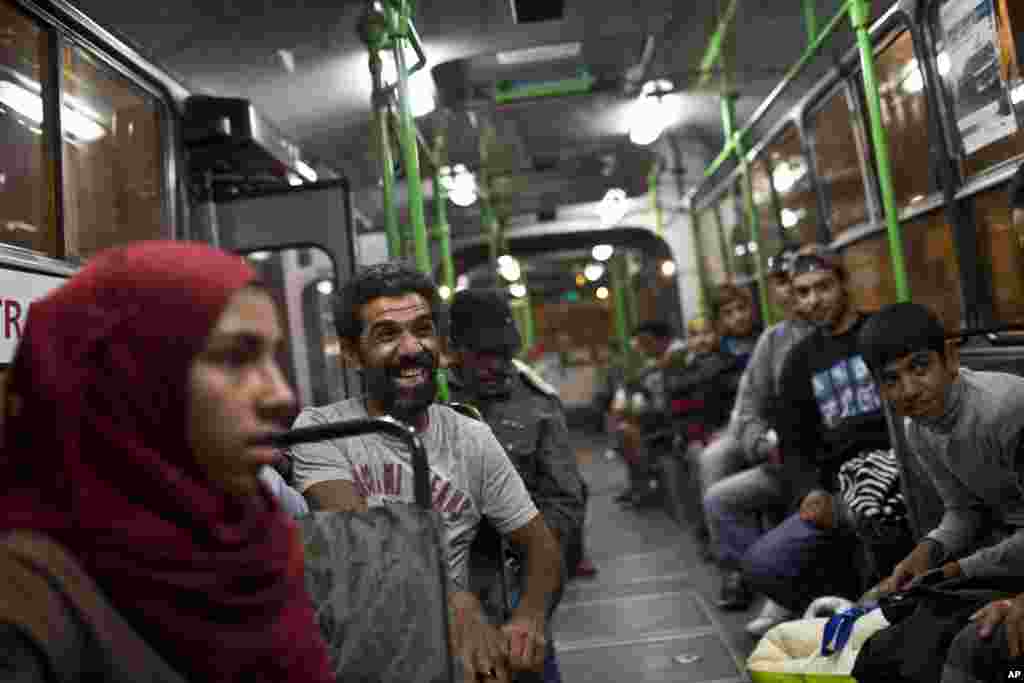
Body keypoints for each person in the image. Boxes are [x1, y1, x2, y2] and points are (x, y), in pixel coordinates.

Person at [0, 241, 334, 682]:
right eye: (236, 358)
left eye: (272, 357)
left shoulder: (255, 541)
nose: (281, 395)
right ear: (131, 378)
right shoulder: (26, 607)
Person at [288, 260, 562, 683]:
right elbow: (369, 544)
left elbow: (541, 547)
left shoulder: (471, 439)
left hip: (453, 639)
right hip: (365, 629)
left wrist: (529, 617)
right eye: (386, 334)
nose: (411, 348)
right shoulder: (322, 431)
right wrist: (454, 599)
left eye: (422, 329)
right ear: (350, 352)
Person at [737, 244, 891, 630]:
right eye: (803, 292)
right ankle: (836, 608)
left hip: (895, 476)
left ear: (844, 284)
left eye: (823, 287)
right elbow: (795, 443)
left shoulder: (881, 334)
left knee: (872, 521)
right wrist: (810, 490)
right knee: (761, 564)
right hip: (836, 487)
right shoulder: (798, 362)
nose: (813, 300)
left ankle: (872, 616)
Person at [447, 288, 588, 682]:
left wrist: (526, 539)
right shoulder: (429, 402)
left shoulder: (537, 404)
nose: (498, 368)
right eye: (483, 356)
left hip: (518, 573)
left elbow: (566, 501)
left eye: (503, 356)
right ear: (454, 351)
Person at [858, 302, 1024, 594]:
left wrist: (958, 571)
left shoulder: (1005, 409)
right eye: (891, 379)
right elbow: (964, 509)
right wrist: (928, 552)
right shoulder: (918, 430)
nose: (908, 390)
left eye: (919, 367)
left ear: (949, 358)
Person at [699, 247, 814, 618]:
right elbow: (746, 409)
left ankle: (778, 586)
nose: (794, 292)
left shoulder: (836, 338)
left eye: (811, 285)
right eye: (783, 283)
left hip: (816, 458)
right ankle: (751, 575)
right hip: (776, 451)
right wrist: (761, 442)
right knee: (716, 481)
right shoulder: (773, 340)